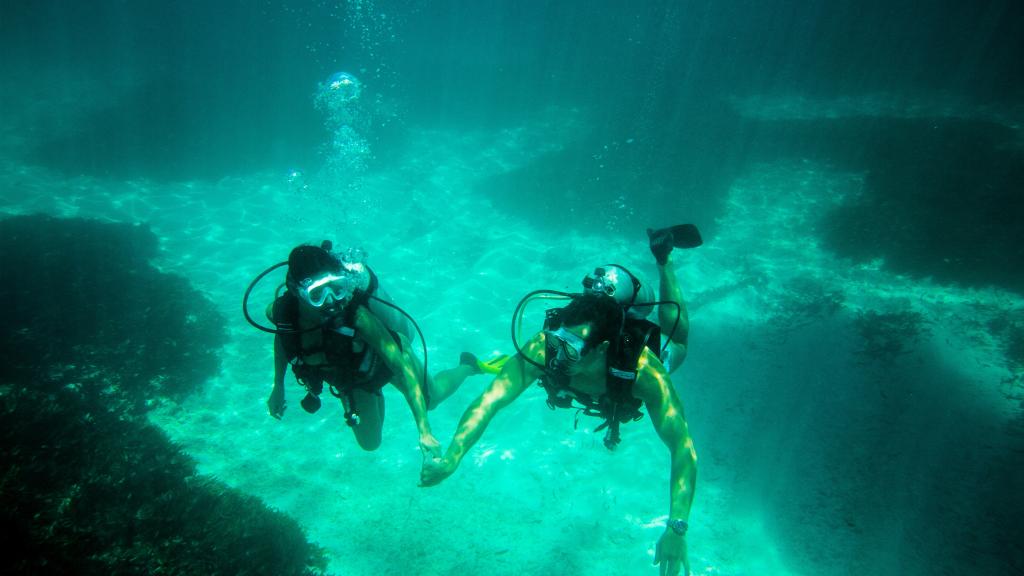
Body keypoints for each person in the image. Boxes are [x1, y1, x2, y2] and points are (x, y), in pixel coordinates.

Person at [421, 226, 702, 576]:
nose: (556, 355)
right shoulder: (544, 347)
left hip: (630, 356)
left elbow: (682, 446)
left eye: (569, 348)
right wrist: (453, 456)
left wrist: (677, 526)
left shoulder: (645, 371)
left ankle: (664, 260)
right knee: (525, 360)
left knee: (681, 345)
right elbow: (489, 400)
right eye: (556, 342)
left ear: (600, 350)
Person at [245, 241, 501, 457]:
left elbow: (400, 366)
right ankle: (373, 389)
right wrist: (277, 386)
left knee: (430, 398)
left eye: (336, 289)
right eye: (317, 294)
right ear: (298, 293)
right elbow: (283, 342)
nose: (331, 302)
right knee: (370, 444)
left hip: (388, 355)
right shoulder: (282, 315)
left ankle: (469, 365)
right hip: (355, 374)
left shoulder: (357, 317)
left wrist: (424, 430)